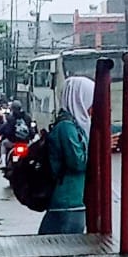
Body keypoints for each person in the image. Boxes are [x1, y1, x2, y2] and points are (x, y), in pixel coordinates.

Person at [39, 76, 94, 236]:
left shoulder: (74, 125)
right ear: (80, 99)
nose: (93, 108)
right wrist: (98, 149)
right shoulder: (66, 127)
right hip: (67, 203)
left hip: (73, 201)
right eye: (91, 101)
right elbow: (77, 162)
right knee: (55, 247)